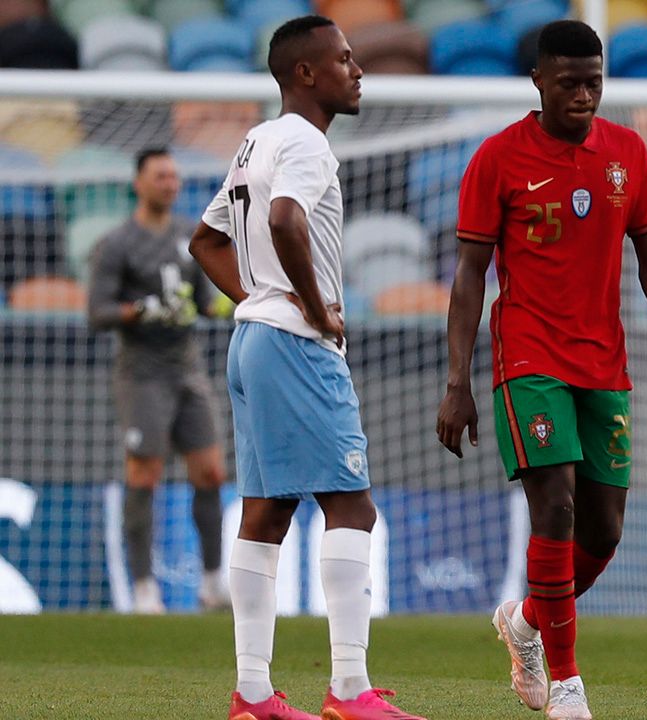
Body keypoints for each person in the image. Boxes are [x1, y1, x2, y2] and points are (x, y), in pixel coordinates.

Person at [436, 19, 647, 720]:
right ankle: (567, 684)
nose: (584, 97)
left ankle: (526, 621)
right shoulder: (498, 158)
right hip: (528, 358)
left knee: (605, 531)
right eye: (569, 85)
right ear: (538, 82)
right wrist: (456, 380)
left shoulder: (628, 153)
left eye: (594, 83)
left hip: (604, 363)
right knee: (553, 503)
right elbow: (469, 275)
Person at [188, 15, 425, 720]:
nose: (358, 70)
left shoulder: (257, 139)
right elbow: (288, 219)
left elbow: (204, 241)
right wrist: (317, 310)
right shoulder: (306, 145)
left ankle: (253, 694)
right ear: (305, 74)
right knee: (352, 505)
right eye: (344, 60)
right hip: (294, 344)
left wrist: (260, 297)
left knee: (267, 511)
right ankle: (350, 690)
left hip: (252, 340)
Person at [87, 147, 229, 615]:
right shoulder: (118, 243)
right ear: (138, 183)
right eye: (160, 176)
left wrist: (234, 305)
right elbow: (97, 312)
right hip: (141, 373)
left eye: (174, 176)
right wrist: (138, 309)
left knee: (210, 470)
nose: (170, 183)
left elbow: (207, 303)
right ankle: (144, 589)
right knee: (143, 473)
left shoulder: (190, 235)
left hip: (187, 370)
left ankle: (212, 583)